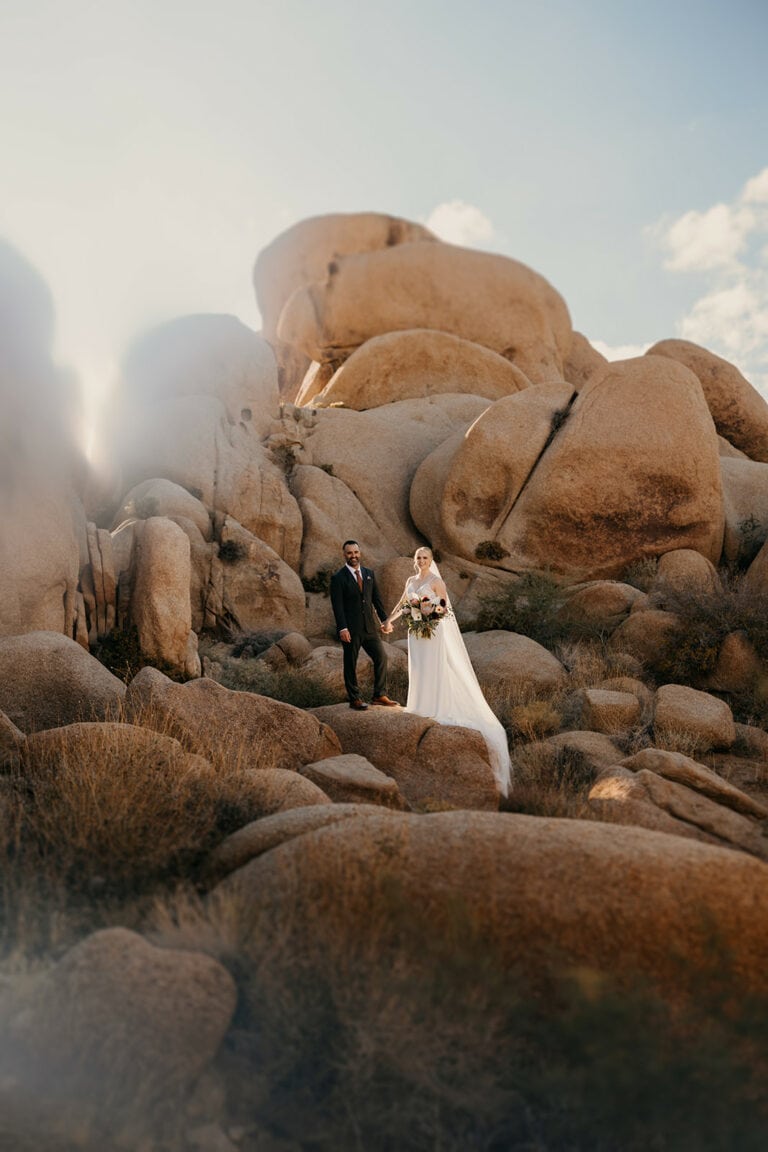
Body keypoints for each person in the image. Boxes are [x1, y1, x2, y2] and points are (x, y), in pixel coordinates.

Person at [383, 547, 511, 796]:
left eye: (425, 558)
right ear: (415, 560)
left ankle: (435, 707)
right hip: (415, 632)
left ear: (431, 561)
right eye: (418, 558)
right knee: (418, 668)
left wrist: (429, 614)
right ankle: (419, 704)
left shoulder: (436, 581)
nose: (421, 561)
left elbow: (443, 607)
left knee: (433, 667)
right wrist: (390, 620)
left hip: (432, 632)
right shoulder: (411, 580)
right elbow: (403, 603)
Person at [330, 540, 398, 711]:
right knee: (350, 663)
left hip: (369, 628)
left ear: (360, 553)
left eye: (356, 552)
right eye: (349, 553)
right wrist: (342, 628)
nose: (353, 556)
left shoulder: (369, 574)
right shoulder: (338, 578)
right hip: (351, 630)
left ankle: (379, 695)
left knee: (381, 657)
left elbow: (376, 600)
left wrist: (384, 620)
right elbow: (337, 606)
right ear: (344, 555)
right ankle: (354, 699)